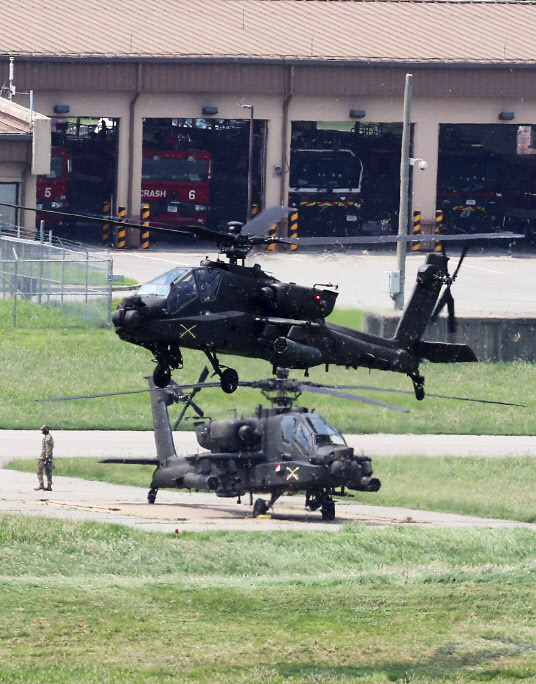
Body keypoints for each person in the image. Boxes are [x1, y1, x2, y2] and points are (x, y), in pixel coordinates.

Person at [35, 425, 54, 491]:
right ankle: (48, 485)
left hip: (44, 457)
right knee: (48, 471)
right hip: (46, 456)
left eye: (43, 430)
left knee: (39, 470)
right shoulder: (47, 437)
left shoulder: (48, 438)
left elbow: (48, 448)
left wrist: (47, 458)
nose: (42, 431)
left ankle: (42, 484)